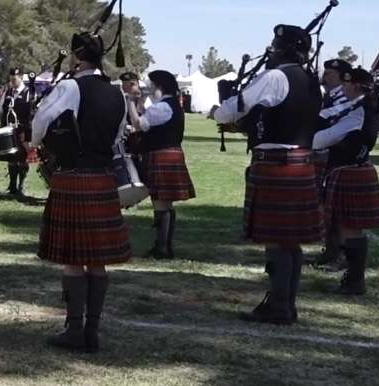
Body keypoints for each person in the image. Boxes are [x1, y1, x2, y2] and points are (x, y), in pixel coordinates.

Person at [213, 24, 322, 325]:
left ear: (283, 49)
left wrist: (220, 110)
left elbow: (230, 110)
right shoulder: (312, 81)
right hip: (301, 161)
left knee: (276, 240)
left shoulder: (275, 77)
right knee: (291, 241)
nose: (271, 50)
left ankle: (279, 307)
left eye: (275, 44)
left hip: (277, 164)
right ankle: (285, 303)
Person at [31, 32, 132, 353]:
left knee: (73, 259)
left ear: (77, 57)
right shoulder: (118, 93)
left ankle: (74, 330)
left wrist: (35, 142)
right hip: (103, 177)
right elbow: (118, 136)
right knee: (97, 261)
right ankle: (93, 331)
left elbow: (41, 121)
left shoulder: (70, 87)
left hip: (74, 175)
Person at [313, 67, 379, 294]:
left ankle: (355, 281)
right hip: (351, 170)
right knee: (348, 227)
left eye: (346, 84)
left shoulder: (358, 113)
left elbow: (322, 140)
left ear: (356, 86)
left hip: (350, 172)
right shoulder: (359, 107)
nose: (343, 87)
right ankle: (352, 277)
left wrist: (306, 136)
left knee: (351, 229)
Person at [126, 69, 196, 259]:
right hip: (169, 154)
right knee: (165, 203)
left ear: (159, 86)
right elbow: (147, 118)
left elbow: (139, 124)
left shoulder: (163, 107)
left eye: (151, 86)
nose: (149, 89)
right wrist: (140, 101)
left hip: (162, 155)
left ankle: (162, 248)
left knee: (161, 203)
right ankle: (164, 245)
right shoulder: (169, 105)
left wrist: (130, 101)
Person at [311, 58, 354, 266]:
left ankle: (342, 253)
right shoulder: (328, 97)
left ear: (343, 77)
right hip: (324, 155)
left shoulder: (344, 99)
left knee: (338, 209)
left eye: (330, 74)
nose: (325, 77)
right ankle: (330, 250)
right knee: (326, 206)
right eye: (325, 73)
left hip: (336, 156)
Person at [0, 68, 35, 198]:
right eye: (11, 79)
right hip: (9, 130)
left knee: (23, 158)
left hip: (23, 130)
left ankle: (21, 186)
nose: (12, 81)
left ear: (21, 77)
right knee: (11, 158)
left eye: (15, 79)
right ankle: (12, 186)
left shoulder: (29, 92)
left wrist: (28, 132)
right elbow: (1, 110)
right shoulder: (7, 92)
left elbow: (32, 113)